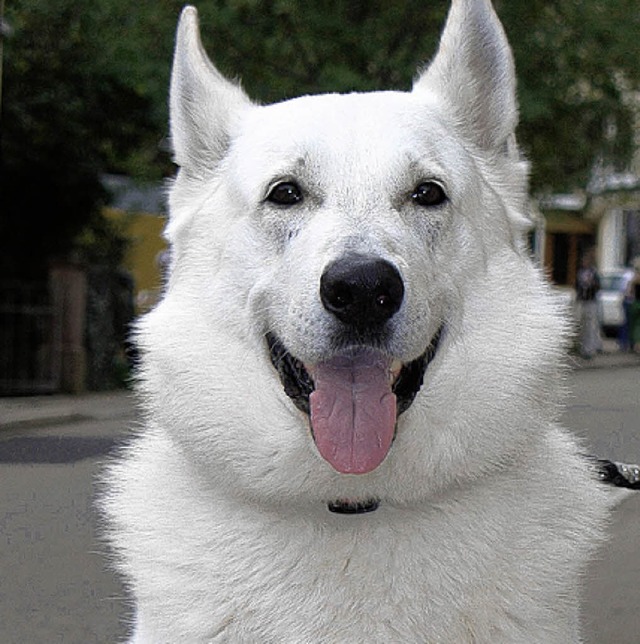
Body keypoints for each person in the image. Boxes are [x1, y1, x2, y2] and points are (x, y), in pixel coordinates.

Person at [575, 251, 601, 359]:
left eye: (586, 261)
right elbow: (577, 285)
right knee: (582, 325)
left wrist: (591, 285)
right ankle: (582, 348)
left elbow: (598, 286)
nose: (584, 263)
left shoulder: (593, 273)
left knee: (590, 326)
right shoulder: (580, 272)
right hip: (583, 300)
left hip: (591, 301)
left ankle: (589, 349)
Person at [626, 257, 640, 352]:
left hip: (635, 303)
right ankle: (637, 346)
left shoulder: (634, 279)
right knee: (638, 325)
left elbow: (629, 292)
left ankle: (632, 345)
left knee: (632, 325)